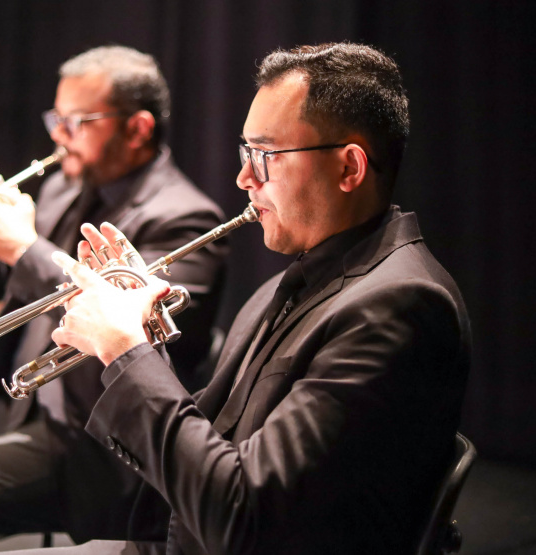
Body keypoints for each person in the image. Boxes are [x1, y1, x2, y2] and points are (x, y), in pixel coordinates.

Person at [46, 42, 471, 554]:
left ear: (349, 169)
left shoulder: (400, 305)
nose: (244, 178)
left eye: (265, 155)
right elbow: (218, 443)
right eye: (246, 153)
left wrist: (125, 352)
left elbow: (247, 518)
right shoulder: (300, 279)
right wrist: (145, 337)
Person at [0, 46, 227, 555]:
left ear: (137, 128)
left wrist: (23, 246)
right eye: (57, 118)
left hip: (93, 438)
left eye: (78, 121)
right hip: (18, 401)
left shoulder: (187, 218)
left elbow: (120, 326)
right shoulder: (60, 189)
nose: (58, 134)